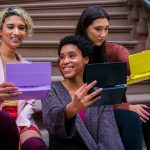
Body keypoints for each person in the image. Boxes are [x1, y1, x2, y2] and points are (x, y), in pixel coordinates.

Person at [42, 35, 142, 150]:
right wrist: (72, 108)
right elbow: (51, 123)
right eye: (62, 57)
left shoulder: (98, 91)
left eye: (72, 56)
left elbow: (109, 135)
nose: (65, 61)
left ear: (86, 59)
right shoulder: (51, 90)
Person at [75, 5, 150, 149]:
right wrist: (125, 106)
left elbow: (126, 61)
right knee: (132, 118)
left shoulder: (113, 50)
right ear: (85, 28)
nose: (103, 34)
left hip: (113, 107)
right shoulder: (73, 56)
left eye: (106, 29)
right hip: (89, 111)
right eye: (98, 29)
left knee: (146, 113)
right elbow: (83, 97)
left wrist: (131, 63)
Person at [0, 7, 47, 150]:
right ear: (0, 31)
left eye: (21, 28)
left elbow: (31, 103)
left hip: (21, 118)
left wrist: (20, 122)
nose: (16, 32)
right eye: (10, 27)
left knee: (35, 145)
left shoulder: (28, 66)